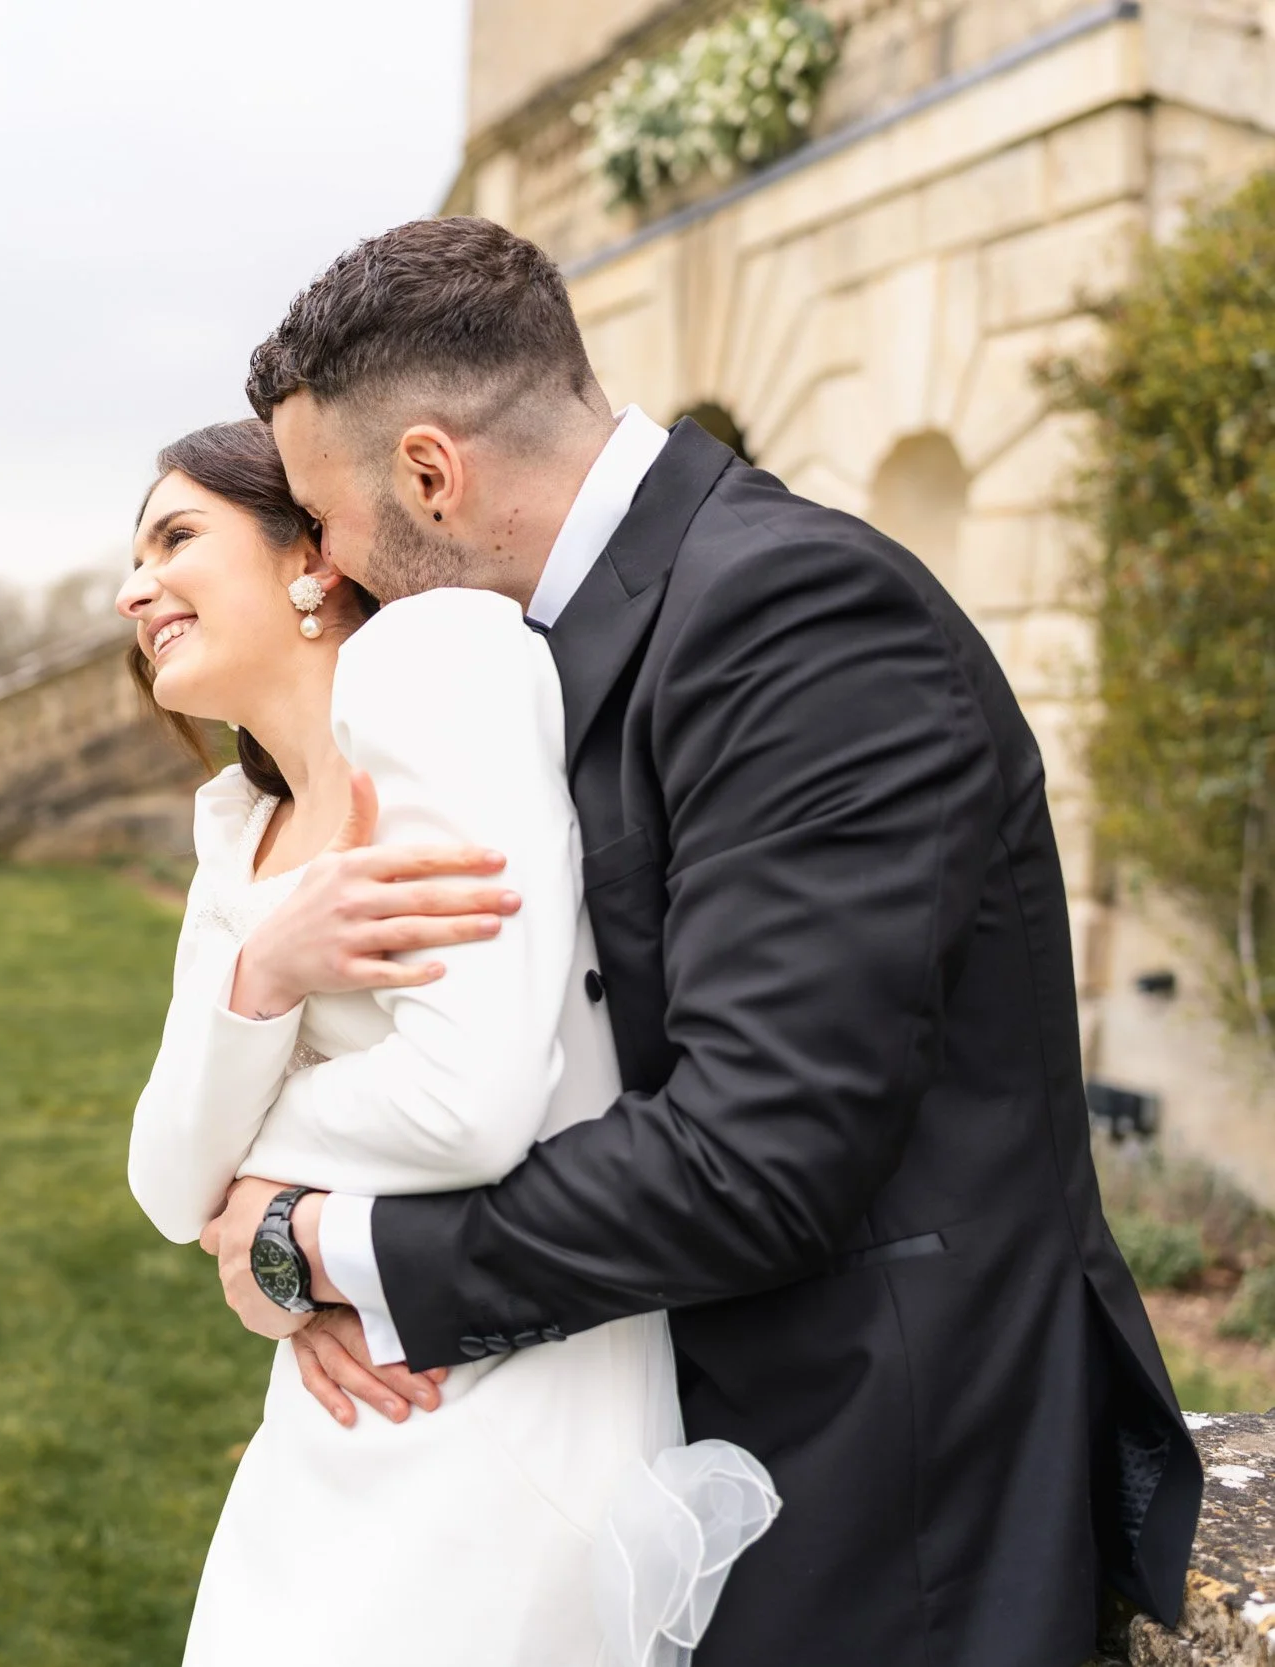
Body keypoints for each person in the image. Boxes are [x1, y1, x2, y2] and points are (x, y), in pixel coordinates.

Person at [179, 216, 1200, 1667]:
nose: (321, 581)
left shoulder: (800, 618)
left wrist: (336, 1242)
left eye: (324, 528)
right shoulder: (568, 641)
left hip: (873, 1485)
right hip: (675, 1429)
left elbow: (756, 1153)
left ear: (428, 472)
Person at [119, 417, 775, 1666]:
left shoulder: (435, 664)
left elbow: (470, 1106)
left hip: (502, 1420)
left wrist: (260, 1205)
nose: (130, 586)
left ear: (308, 555)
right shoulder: (237, 823)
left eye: (174, 535)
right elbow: (160, 1183)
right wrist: (261, 972)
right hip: (329, 1429)